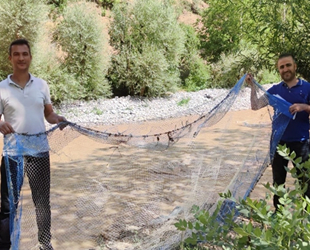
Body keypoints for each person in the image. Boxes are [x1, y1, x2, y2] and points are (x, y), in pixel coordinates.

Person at [0, 39, 67, 250]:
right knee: (8, 205)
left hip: (39, 151)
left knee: (42, 203)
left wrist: (58, 119)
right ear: (10, 58)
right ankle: (4, 245)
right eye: (17, 54)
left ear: (30, 57)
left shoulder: (42, 85)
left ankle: (45, 244)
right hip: (12, 153)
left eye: (25, 54)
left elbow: (49, 114)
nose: (21, 58)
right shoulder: (1, 87)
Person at [246, 53, 310, 211]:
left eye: (288, 65)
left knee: (305, 181)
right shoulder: (275, 90)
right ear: (278, 70)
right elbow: (256, 105)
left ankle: (307, 214)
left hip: (301, 143)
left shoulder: (307, 87)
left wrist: (304, 107)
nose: (285, 69)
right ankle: (279, 214)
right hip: (278, 143)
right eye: (282, 67)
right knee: (278, 181)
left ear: (295, 67)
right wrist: (253, 86)